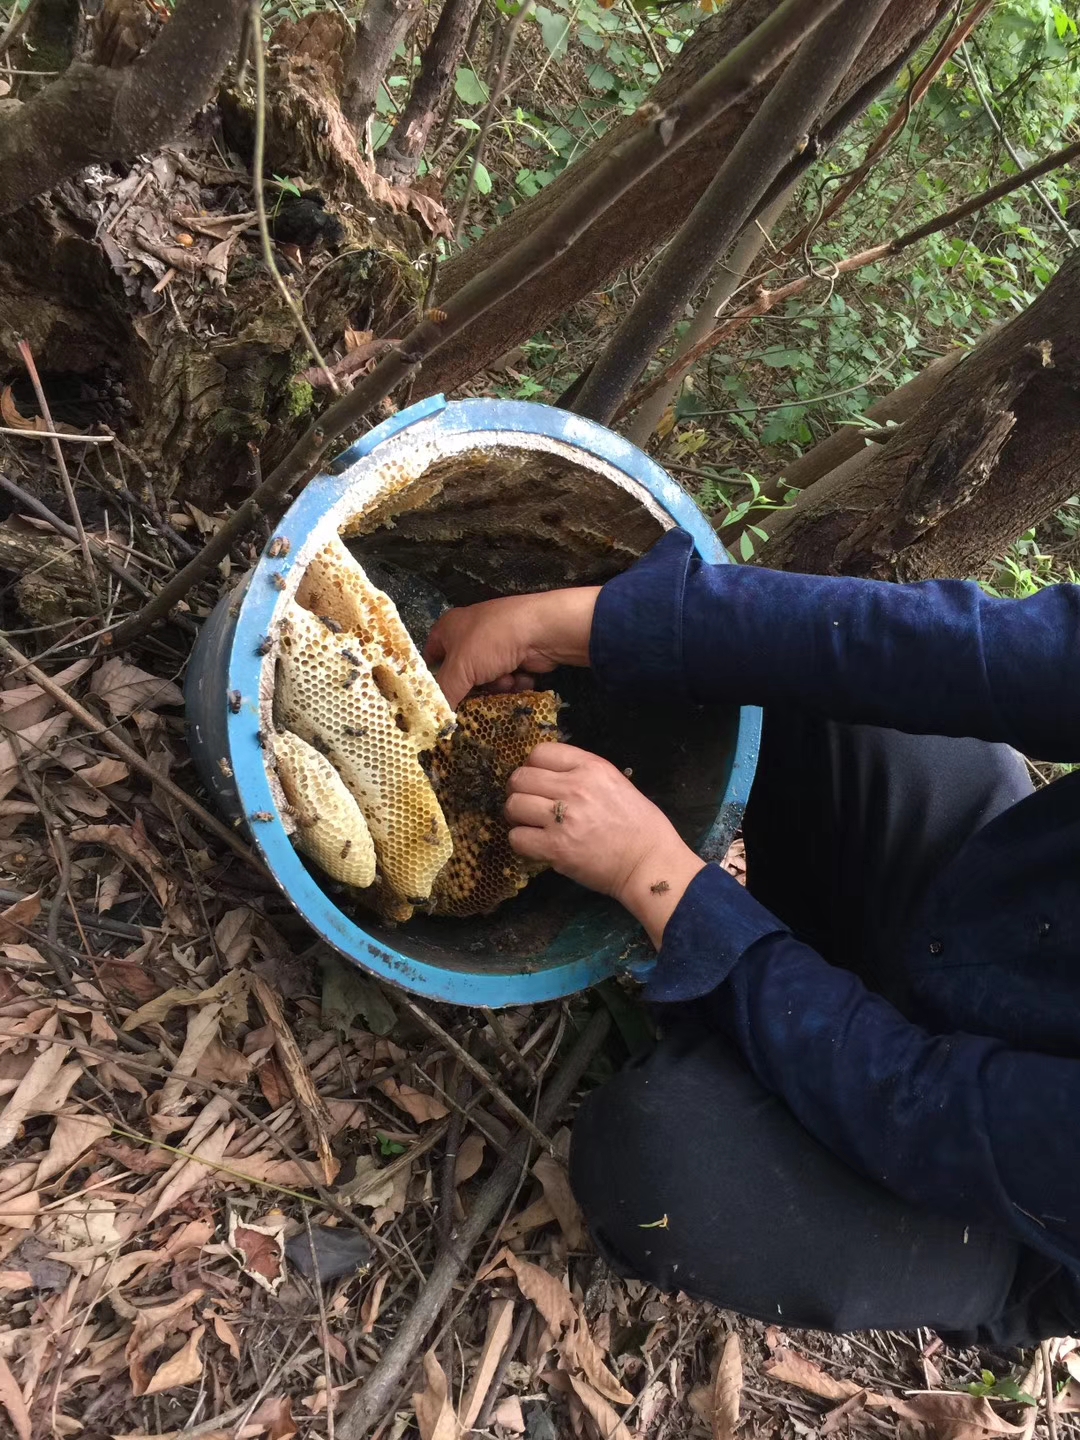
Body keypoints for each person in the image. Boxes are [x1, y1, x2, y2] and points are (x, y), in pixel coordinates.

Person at [424, 527, 1080, 1346]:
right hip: (980, 917)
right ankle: (762, 985)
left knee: (665, 1169)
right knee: (821, 677)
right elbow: (953, 650)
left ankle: (744, 1018)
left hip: (987, 1199)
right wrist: (576, 625)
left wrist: (655, 877)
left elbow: (920, 1109)